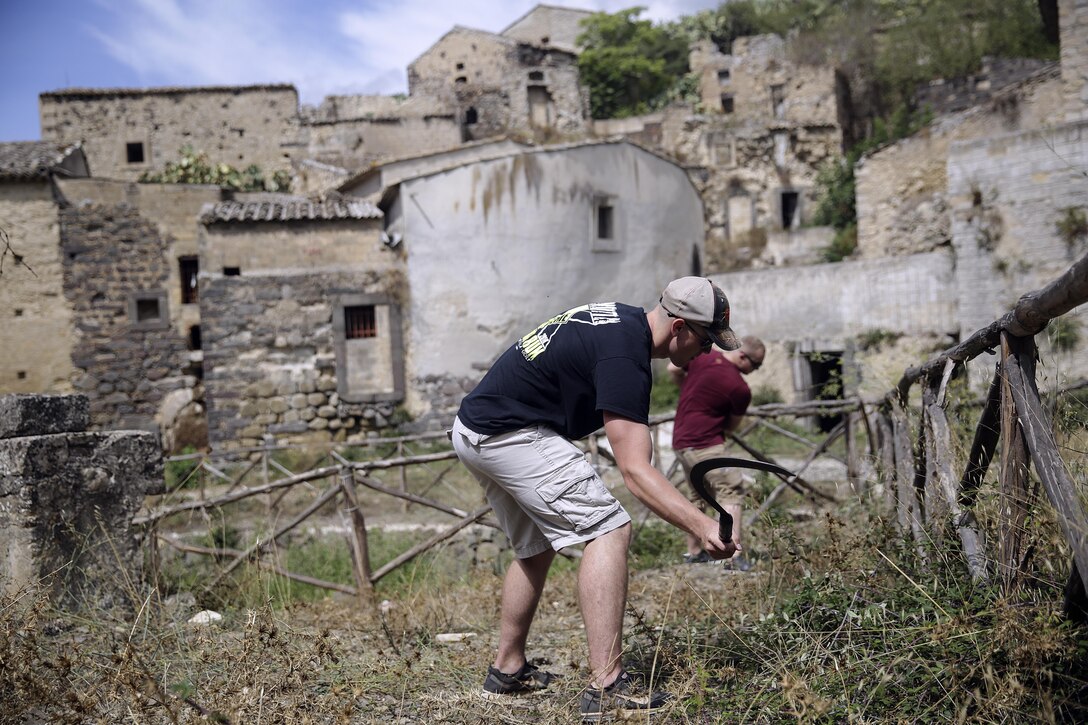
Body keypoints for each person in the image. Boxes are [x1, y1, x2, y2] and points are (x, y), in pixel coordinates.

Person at [451, 277, 741, 722]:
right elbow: (636, 472)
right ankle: (607, 684)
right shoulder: (625, 357)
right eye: (706, 342)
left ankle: (506, 668)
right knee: (609, 529)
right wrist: (701, 526)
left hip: (475, 427)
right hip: (509, 432)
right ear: (680, 327)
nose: (709, 352)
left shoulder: (624, 320)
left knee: (536, 547)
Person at [668, 335, 766, 570]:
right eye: (755, 365)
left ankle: (694, 553)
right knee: (732, 488)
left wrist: (690, 388)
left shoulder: (704, 356)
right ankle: (732, 557)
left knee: (698, 495)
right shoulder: (739, 388)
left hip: (681, 441)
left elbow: (673, 368)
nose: (755, 370)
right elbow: (731, 426)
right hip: (705, 444)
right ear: (742, 356)